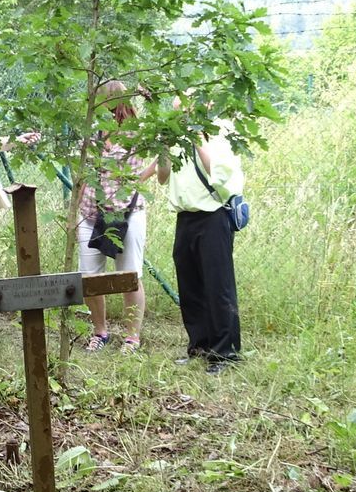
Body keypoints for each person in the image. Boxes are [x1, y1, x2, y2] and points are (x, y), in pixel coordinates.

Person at [77, 82, 168, 355]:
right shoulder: (92, 133)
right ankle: (99, 332)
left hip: (128, 214)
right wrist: (74, 215)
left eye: (101, 98)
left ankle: (132, 337)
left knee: (130, 276)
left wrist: (141, 177)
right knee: (90, 278)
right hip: (91, 214)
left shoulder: (137, 132)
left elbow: (162, 155)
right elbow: (82, 173)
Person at [164, 123, 244, 369]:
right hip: (185, 217)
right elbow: (162, 176)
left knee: (218, 285)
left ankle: (225, 353)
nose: (180, 115)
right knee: (190, 286)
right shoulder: (176, 136)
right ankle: (199, 345)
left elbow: (219, 175)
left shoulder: (221, 133)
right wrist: (164, 146)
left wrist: (197, 138)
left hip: (213, 216)